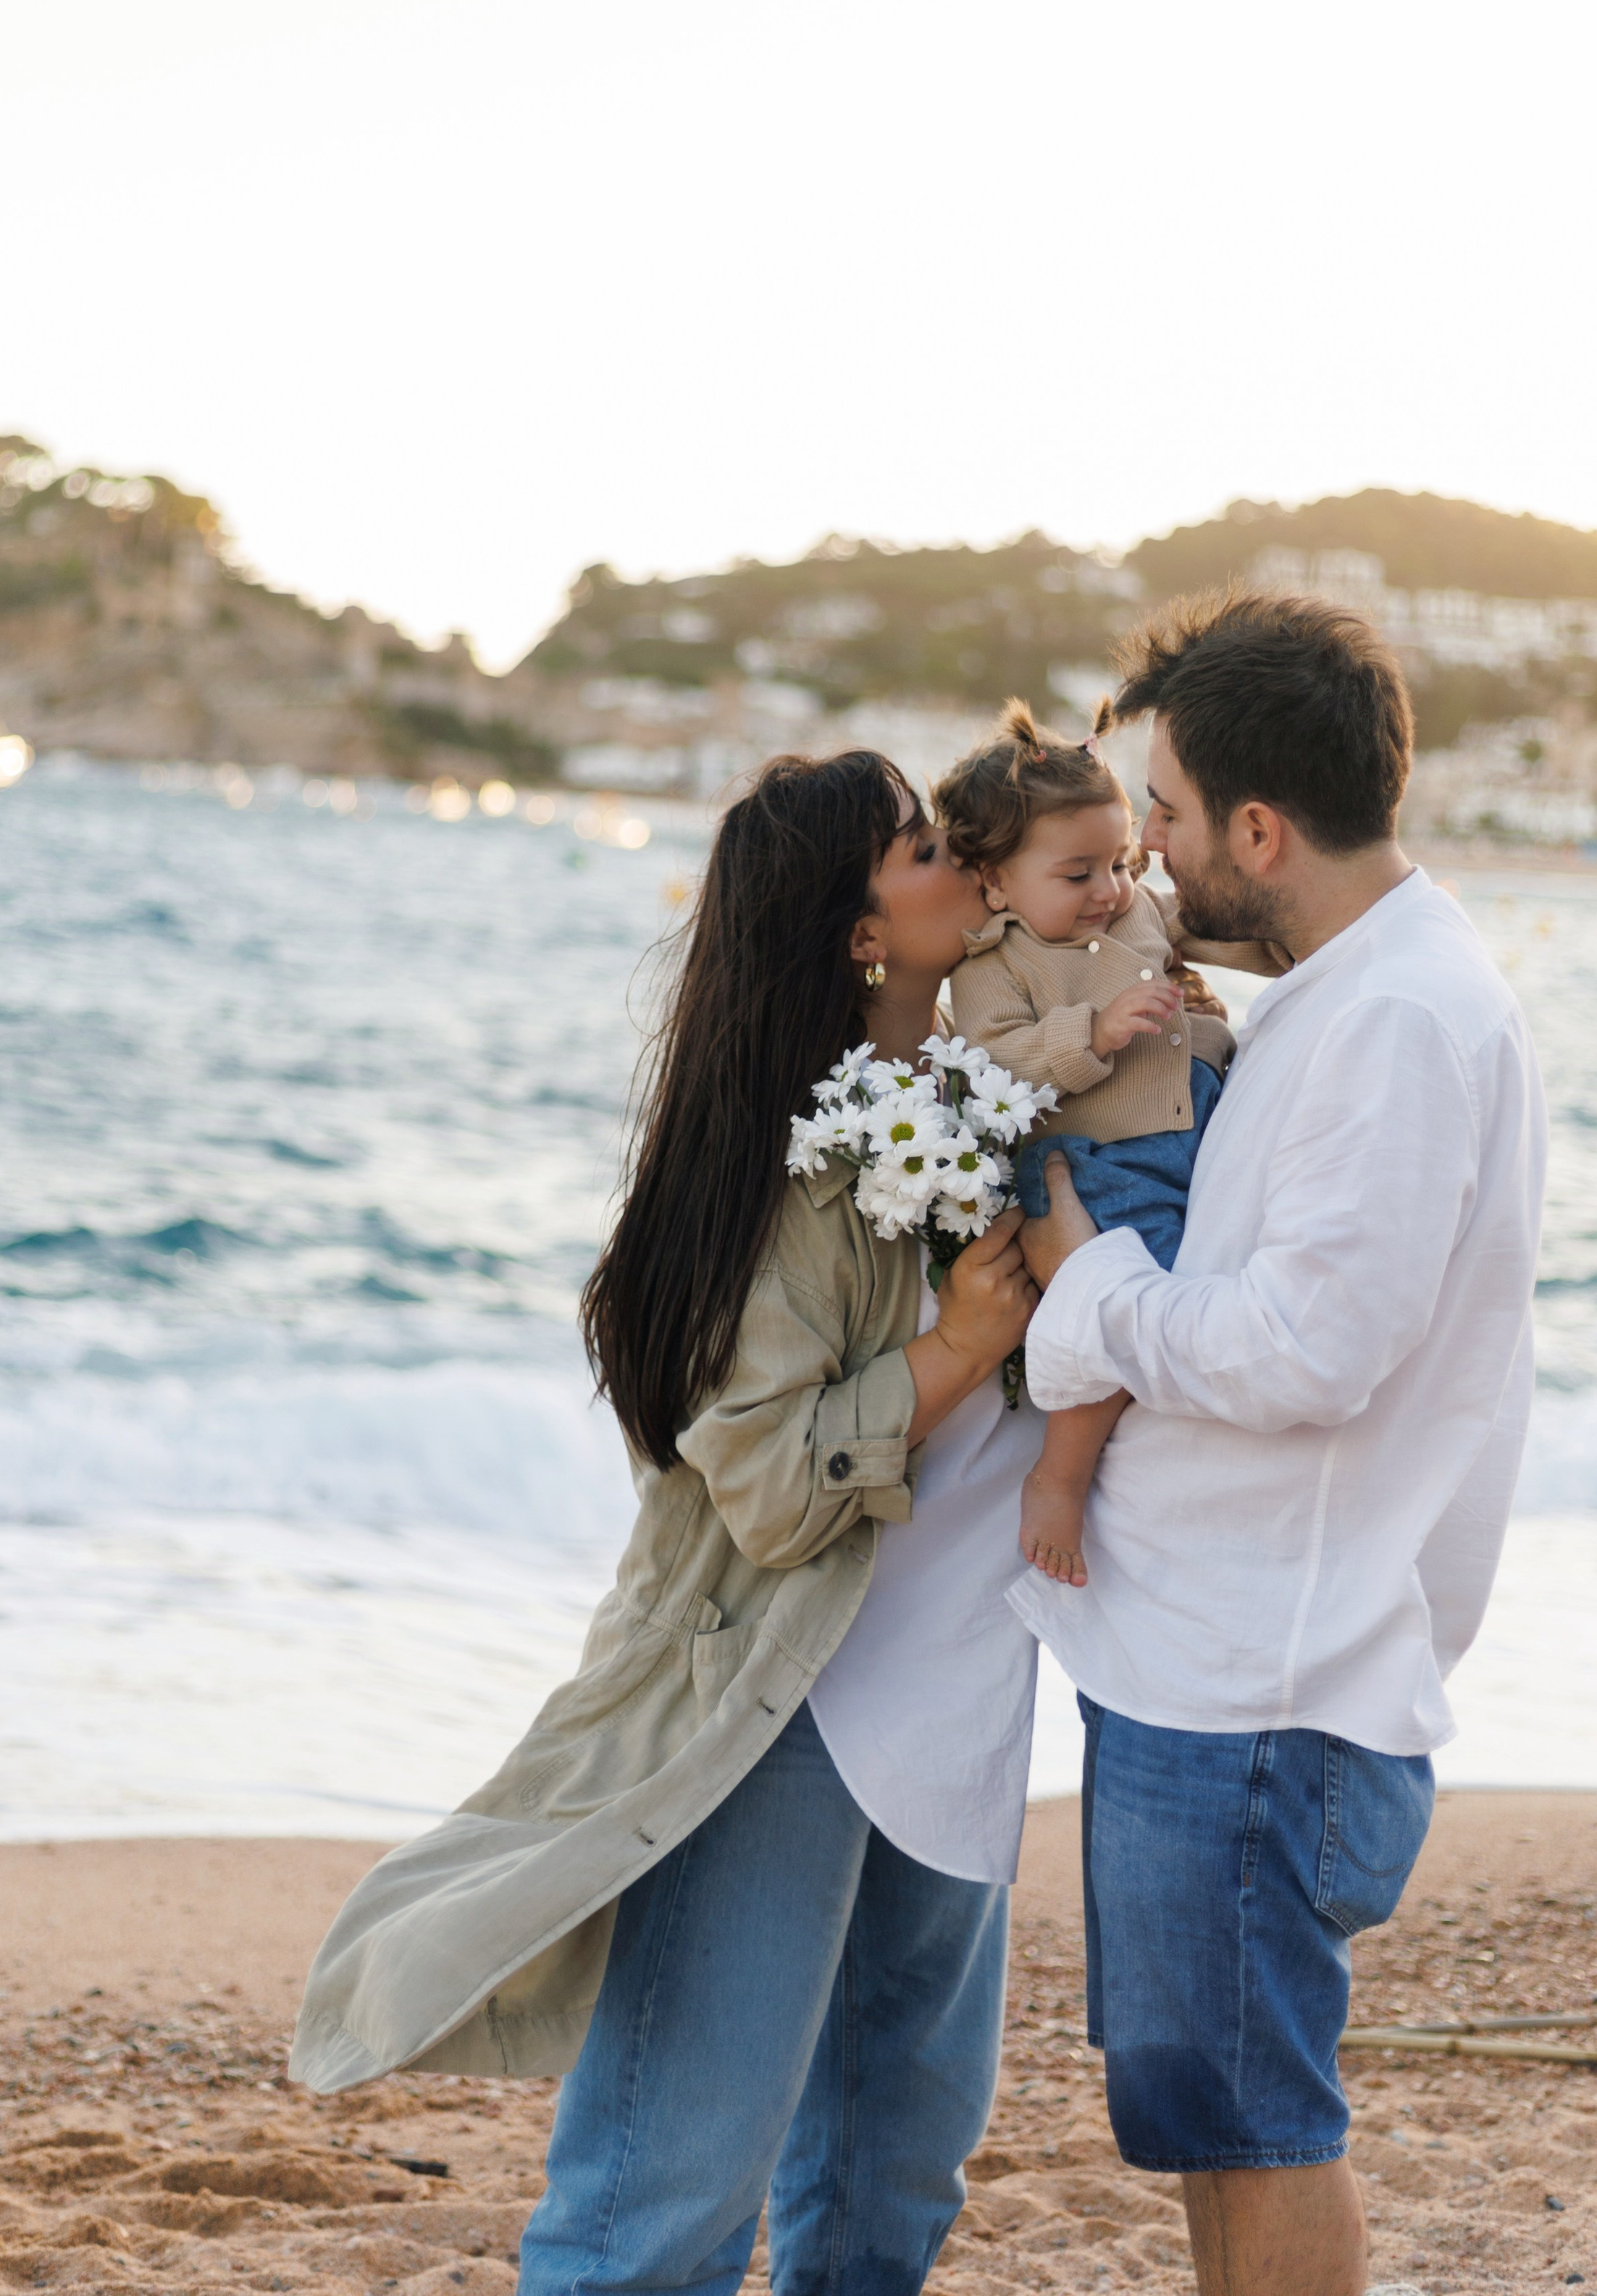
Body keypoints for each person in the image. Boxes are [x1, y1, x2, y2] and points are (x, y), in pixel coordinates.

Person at [289, 750, 1041, 2296]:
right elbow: (766, 1490)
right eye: (917, 846)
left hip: (957, 1695)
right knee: (661, 2196)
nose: (959, 856)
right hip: (777, 1705)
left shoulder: (995, 1100)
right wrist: (955, 1351)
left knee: (892, 2182)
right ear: (856, 933)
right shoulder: (771, 1183)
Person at [1010, 590, 1547, 2296]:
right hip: (1218, 1662)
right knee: (1207, 2124)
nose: (1148, 858)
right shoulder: (1346, 991)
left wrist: (1083, 1285)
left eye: (1163, 818)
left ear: (1255, 825)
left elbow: (1309, 1348)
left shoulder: (1395, 1017)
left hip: (1263, 1681)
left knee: (1254, 2129)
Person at [934, 698, 1284, 1585]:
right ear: (995, 884)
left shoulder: (1133, 913)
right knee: (1129, 1298)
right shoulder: (992, 966)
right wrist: (1090, 1032)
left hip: (1189, 1131)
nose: (1107, 890)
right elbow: (995, 1066)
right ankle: (1060, 1473)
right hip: (1099, 1160)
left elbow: (1224, 929)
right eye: (1076, 873)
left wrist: (1315, 941)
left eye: (1119, 862)